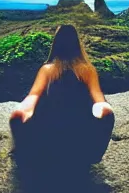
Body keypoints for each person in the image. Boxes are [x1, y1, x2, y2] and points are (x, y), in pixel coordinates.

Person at [9, 24, 115, 168]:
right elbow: (97, 96)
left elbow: (34, 95)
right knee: (107, 113)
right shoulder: (87, 70)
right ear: (77, 44)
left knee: (19, 117)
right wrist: (104, 111)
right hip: (79, 135)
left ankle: (25, 153)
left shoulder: (47, 70)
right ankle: (93, 155)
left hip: (48, 133)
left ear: (56, 44)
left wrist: (23, 112)